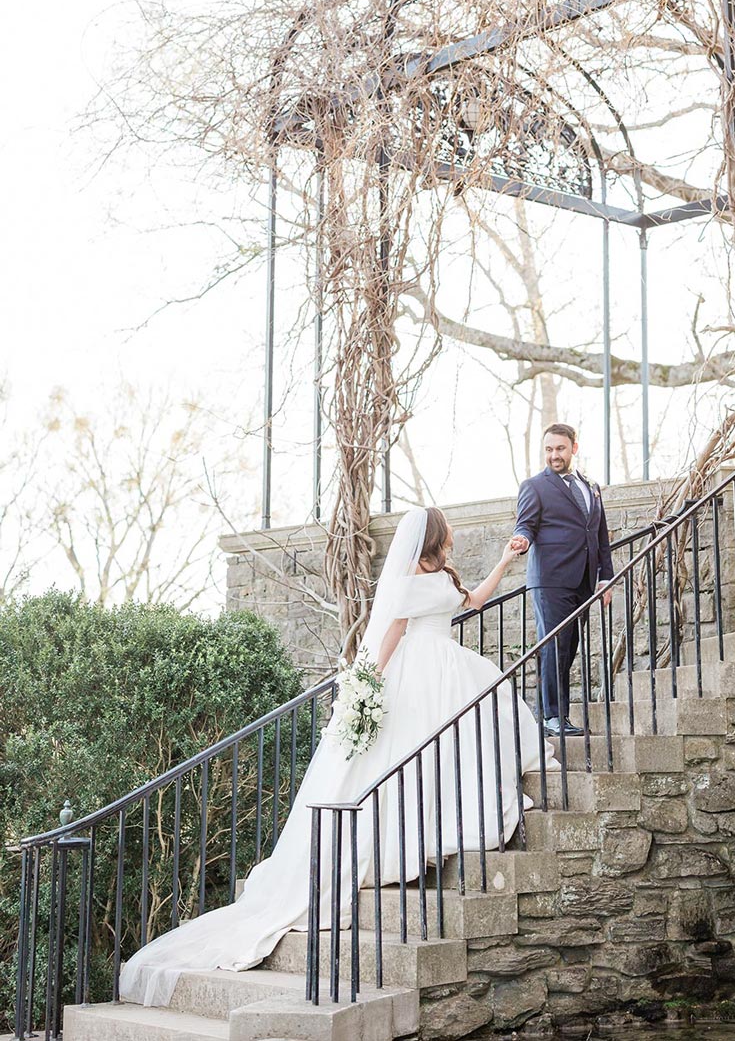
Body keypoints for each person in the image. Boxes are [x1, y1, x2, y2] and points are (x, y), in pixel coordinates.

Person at [120, 506, 554, 1009]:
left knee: (465, 734)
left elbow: (475, 601)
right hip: (418, 675)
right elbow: (390, 634)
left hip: (451, 667)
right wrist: (367, 685)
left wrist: (504, 559)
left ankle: (439, 824)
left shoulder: (445, 574)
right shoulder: (410, 577)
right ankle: (410, 838)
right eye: (447, 528)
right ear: (436, 534)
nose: (451, 533)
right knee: (411, 757)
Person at [512, 422, 614, 738]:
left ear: (574, 448)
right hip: (550, 579)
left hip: (583, 580)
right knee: (554, 646)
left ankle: (559, 716)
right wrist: (522, 540)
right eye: (549, 449)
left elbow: (600, 537)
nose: (554, 455)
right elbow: (525, 524)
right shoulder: (535, 486)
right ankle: (551, 717)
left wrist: (605, 579)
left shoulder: (591, 486)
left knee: (568, 649)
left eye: (560, 448)